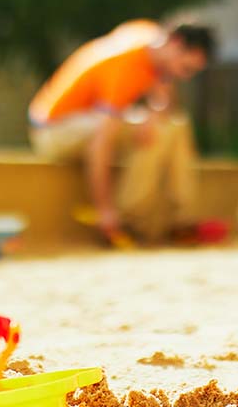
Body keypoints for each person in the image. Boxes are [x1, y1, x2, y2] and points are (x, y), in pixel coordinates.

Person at [28, 19, 214, 244]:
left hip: (79, 121)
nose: (186, 77)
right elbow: (101, 143)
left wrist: (152, 114)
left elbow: (164, 100)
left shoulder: (150, 37)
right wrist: (105, 208)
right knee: (159, 132)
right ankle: (127, 220)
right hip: (54, 133)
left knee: (173, 125)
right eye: (186, 68)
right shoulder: (126, 66)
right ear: (176, 43)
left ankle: (178, 217)